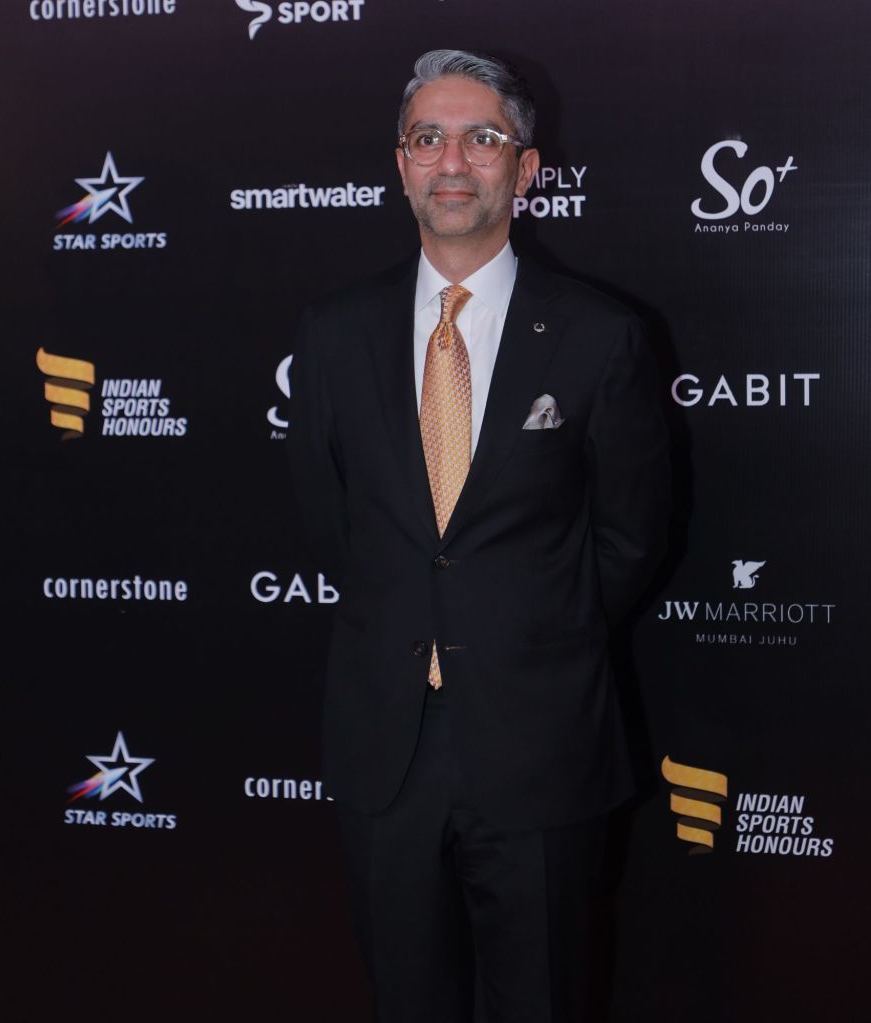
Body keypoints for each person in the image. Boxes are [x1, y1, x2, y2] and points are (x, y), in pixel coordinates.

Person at [288, 49, 671, 1023]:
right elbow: (332, 524)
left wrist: (529, 634)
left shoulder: (600, 335)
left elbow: (630, 536)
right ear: (400, 164)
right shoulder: (333, 334)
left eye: (481, 138)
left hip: (541, 743)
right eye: (428, 138)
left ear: (525, 169)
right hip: (386, 746)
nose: (452, 161)